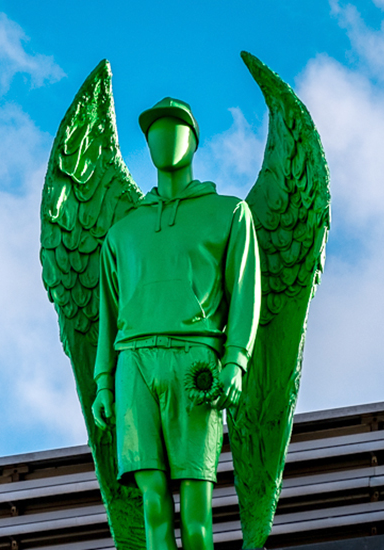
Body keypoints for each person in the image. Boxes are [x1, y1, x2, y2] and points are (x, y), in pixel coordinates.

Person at [91, 97, 262, 550]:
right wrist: (104, 382)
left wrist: (236, 361)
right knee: (152, 503)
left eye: (176, 129)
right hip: (134, 362)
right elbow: (109, 311)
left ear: (193, 141)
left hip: (196, 360)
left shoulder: (228, 214)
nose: (165, 141)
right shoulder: (123, 232)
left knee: (197, 504)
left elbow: (245, 293)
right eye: (154, 133)